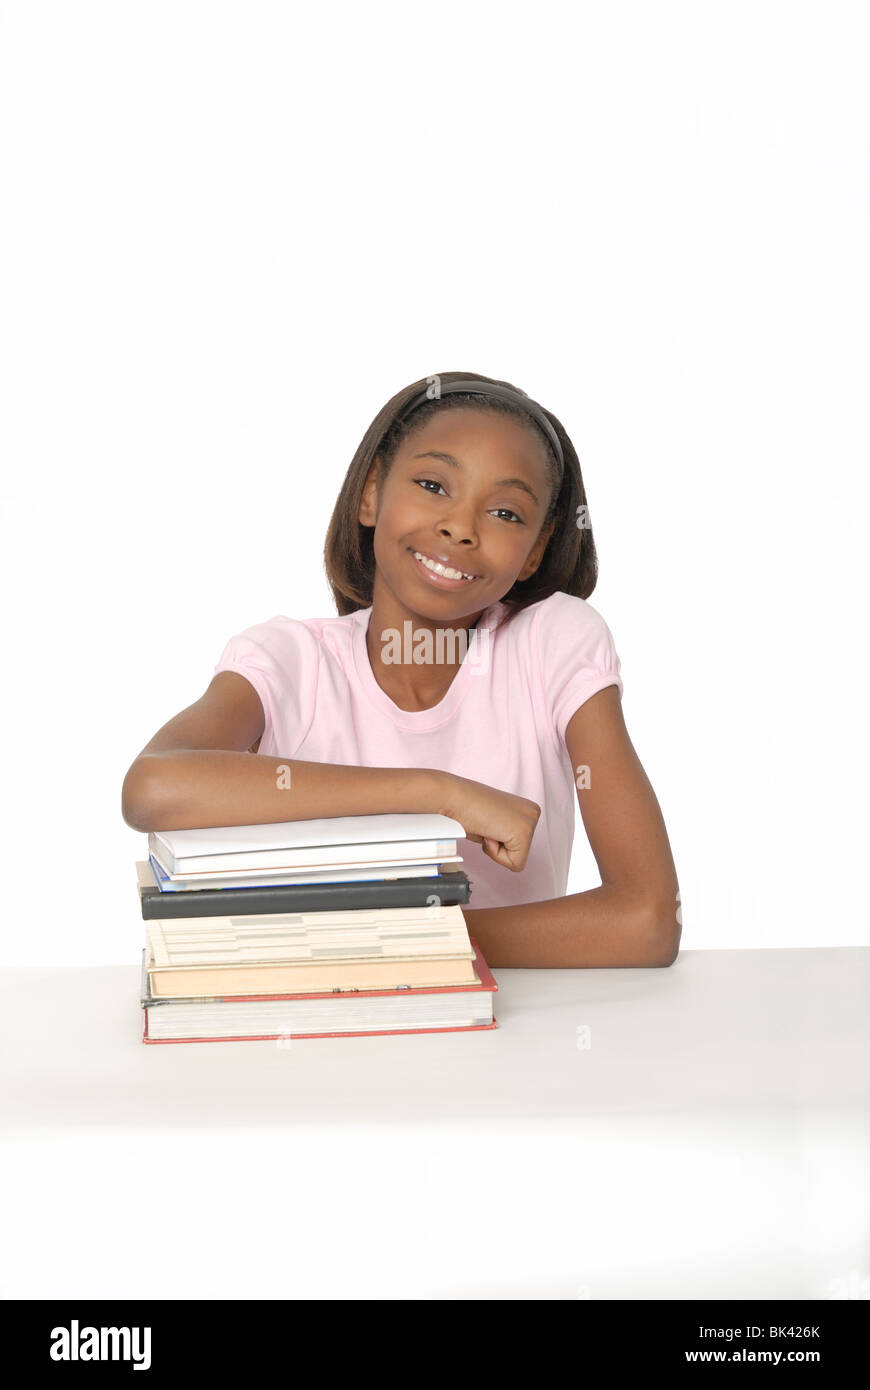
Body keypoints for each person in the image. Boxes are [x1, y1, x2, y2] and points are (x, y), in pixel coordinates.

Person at [121, 370, 680, 968]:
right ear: (371, 495)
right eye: (433, 484)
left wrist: (399, 945)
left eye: (506, 514)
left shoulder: (552, 644)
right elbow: (153, 787)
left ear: (536, 552)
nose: (460, 528)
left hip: (506, 1039)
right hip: (318, 1027)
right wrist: (436, 796)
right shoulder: (292, 659)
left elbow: (647, 919)